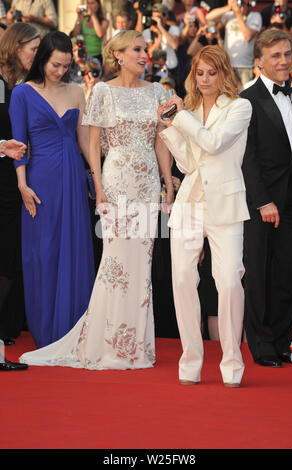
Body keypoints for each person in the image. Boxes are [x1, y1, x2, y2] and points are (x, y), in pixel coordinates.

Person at [18, 30, 173, 370]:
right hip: (116, 182)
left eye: (145, 49)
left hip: (147, 184)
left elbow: (162, 140)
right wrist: (99, 186)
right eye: (137, 49)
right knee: (115, 262)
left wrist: (168, 183)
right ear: (118, 54)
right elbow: (91, 143)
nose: (144, 54)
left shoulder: (157, 92)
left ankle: (136, 346)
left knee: (142, 264)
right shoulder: (102, 91)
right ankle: (107, 343)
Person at [158, 45, 252, 387]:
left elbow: (213, 144)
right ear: (193, 75)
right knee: (182, 280)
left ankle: (232, 365)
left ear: (225, 72)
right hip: (190, 202)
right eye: (200, 73)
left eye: (212, 72)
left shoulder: (241, 107)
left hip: (226, 204)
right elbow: (188, 163)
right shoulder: (191, 109)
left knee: (229, 281)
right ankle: (191, 363)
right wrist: (169, 125)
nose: (206, 79)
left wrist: (180, 117)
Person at [9, 31, 95, 349]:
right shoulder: (22, 93)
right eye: (55, 65)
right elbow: (19, 145)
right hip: (40, 179)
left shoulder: (76, 91)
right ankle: (47, 332)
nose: (60, 71)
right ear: (43, 59)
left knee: (74, 248)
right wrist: (22, 186)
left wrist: (97, 181)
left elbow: (85, 141)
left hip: (72, 177)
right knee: (42, 253)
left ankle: (75, 330)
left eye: (65, 65)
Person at [240, 29, 292, 367]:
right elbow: (247, 158)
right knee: (260, 276)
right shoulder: (247, 100)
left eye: (288, 54)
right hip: (262, 203)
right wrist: (263, 201)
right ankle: (261, 347)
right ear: (259, 62)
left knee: (289, 274)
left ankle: (279, 342)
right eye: (276, 55)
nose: (284, 61)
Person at [0, 22, 40, 348]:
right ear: (16, 48)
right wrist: (2, 146)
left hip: (14, 185)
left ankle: (6, 329)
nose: (38, 56)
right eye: (34, 50)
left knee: (11, 259)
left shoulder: (23, 85)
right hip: (1, 187)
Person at [206, 0, 262, 86]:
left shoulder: (255, 16)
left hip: (246, 67)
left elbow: (248, 36)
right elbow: (208, 17)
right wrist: (229, 7)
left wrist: (239, 14)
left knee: (245, 96)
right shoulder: (230, 15)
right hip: (227, 66)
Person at [142, 4, 180, 86]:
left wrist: (161, 28)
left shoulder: (173, 29)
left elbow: (174, 45)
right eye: (154, 17)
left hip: (171, 70)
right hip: (155, 71)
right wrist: (159, 36)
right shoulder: (147, 32)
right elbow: (151, 53)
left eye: (158, 17)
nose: (156, 20)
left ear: (166, 16)